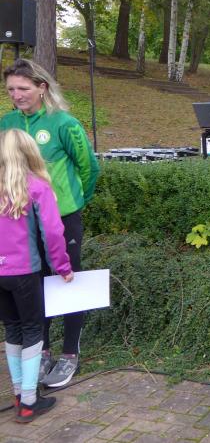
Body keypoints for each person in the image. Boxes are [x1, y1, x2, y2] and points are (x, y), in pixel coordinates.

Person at [1, 59, 100, 387]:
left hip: (62, 219)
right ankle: (40, 349)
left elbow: (89, 168)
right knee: (34, 284)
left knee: (66, 280)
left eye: (23, 88)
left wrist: (73, 203)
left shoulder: (63, 123)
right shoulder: (7, 124)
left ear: (42, 87)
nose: (17, 95)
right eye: (11, 89)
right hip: (21, 221)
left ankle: (70, 352)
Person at [0, 129, 73, 423]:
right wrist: (63, 267)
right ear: (30, 152)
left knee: (12, 329)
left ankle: (19, 393)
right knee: (33, 330)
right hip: (24, 271)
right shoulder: (36, 186)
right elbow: (53, 233)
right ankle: (29, 402)